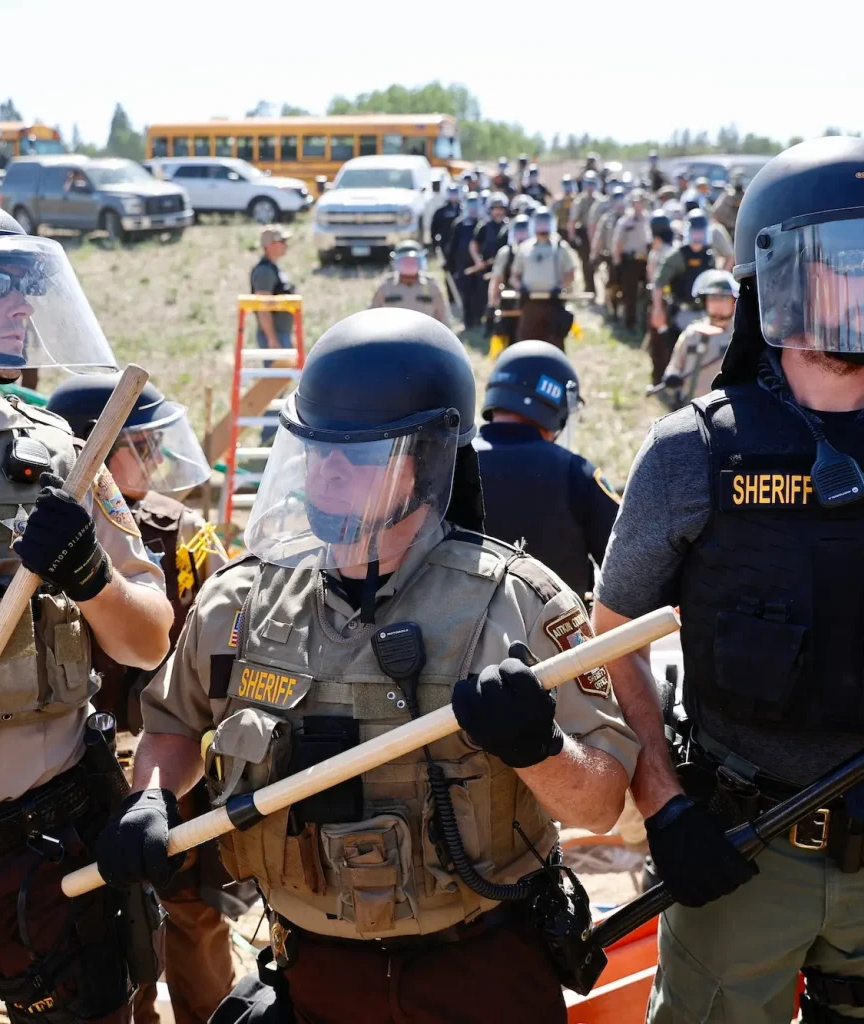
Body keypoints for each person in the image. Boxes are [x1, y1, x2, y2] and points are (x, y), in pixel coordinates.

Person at [95, 307, 640, 1024]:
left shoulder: (519, 605)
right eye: (316, 451)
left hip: (480, 971)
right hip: (313, 970)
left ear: (428, 461)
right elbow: (171, 725)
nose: (326, 477)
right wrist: (153, 799)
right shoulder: (244, 602)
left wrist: (538, 749)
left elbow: (603, 803)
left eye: (359, 456)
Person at [592, 136, 864, 1024]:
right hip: (742, 852)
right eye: (859, 261)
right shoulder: (693, 453)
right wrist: (662, 805)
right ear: (781, 279)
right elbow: (611, 633)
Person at [0, 197, 175, 1024]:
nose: (22, 306)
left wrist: (93, 579)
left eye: (25, 284)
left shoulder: (63, 458)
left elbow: (149, 642)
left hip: (47, 863)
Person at [46, 374, 236, 1024]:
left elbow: (229, 628)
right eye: (139, 442)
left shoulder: (187, 532)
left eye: (157, 440)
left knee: (196, 921)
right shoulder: (43, 531)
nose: (155, 456)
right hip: (80, 771)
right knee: (110, 937)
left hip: (171, 769)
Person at [475, 341, 620, 598]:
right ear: (554, 403)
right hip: (556, 634)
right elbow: (626, 563)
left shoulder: (448, 464)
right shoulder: (576, 471)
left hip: (459, 634)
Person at [653, 268, 738, 409]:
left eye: (723, 298)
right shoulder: (692, 333)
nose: (718, 304)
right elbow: (675, 364)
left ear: (733, 302)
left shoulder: (739, 337)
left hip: (726, 410)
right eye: (712, 298)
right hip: (690, 408)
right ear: (705, 301)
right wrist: (671, 377)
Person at [650, 209, 717, 349]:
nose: (698, 235)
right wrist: (658, 309)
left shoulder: (709, 256)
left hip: (704, 312)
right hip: (681, 313)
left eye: (701, 231)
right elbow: (659, 283)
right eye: (695, 231)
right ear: (688, 231)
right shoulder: (677, 255)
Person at [511, 207, 576, 348]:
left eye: (545, 223)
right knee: (526, 344)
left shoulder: (560, 247)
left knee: (554, 344)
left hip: (552, 303)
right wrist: (520, 287)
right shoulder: (524, 248)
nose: (542, 226)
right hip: (530, 303)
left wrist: (560, 287)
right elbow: (515, 275)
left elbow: (571, 272)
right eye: (539, 223)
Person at [370, 241, 450, 325]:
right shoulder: (385, 287)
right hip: (393, 334)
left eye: (413, 261)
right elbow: (372, 315)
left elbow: (443, 316)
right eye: (405, 261)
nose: (409, 264)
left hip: (424, 334)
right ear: (396, 262)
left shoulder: (431, 286)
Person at [487, 213, 533, 357]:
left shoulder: (535, 252)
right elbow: (496, 280)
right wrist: (492, 304)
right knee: (512, 343)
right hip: (510, 304)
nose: (522, 235)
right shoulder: (506, 253)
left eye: (524, 231)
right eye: (518, 231)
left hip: (533, 302)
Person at [644, 209, 681, 383]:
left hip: (661, 303)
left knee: (660, 343)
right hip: (668, 302)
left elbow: (653, 278)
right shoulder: (673, 250)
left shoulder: (659, 252)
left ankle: (659, 377)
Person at [611, 189, 652, 331]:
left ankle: (646, 324)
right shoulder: (625, 222)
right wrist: (617, 265)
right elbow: (617, 244)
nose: (638, 205)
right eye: (635, 202)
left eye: (640, 202)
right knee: (630, 294)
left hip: (646, 261)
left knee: (648, 293)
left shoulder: (649, 219)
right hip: (630, 262)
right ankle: (630, 324)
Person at [446, 191, 486, 332]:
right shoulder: (459, 225)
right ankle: (468, 321)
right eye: (471, 205)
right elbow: (453, 246)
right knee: (466, 294)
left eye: (476, 205)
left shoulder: (483, 224)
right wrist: (450, 264)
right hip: (463, 266)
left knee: (480, 294)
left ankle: (479, 319)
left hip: (480, 267)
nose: (473, 208)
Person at [250, 226, 295, 351]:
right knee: (279, 370)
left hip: (281, 334)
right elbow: (263, 307)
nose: (286, 245)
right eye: (282, 242)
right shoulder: (265, 271)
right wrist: (272, 339)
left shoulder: (273, 268)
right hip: (276, 336)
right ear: (271, 245)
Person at [593, 187, 627, 318]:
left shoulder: (630, 218)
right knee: (611, 286)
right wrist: (594, 254)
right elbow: (599, 237)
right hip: (609, 257)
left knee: (625, 286)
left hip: (626, 259)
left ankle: (623, 311)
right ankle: (611, 311)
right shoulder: (606, 219)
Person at [570, 171, 601, 293]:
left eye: (592, 183)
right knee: (586, 262)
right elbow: (573, 221)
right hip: (584, 234)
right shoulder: (580, 200)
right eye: (588, 183)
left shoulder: (600, 200)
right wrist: (573, 237)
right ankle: (589, 288)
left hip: (599, 234)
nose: (590, 187)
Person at [469, 192, 510, 283]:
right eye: (495, 209)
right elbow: (474, 244)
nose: (498, 212)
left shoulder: (509, 227)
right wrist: (478, 260)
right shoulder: (484, 226)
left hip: (503, 269)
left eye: (500, 208)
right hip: (485, 269)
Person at [710, 166, 746, 237]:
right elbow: (716, 213)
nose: (739, 181)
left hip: (742, 230)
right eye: (738, 179)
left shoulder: (746, 195)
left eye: (741, 179)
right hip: (729, 230)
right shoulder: (728, 196)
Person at [430, 183, 463, 258]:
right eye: (452, 193)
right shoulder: (441, 212)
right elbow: (434, 229)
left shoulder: (464, 210)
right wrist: (435, 245)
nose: (454, 196)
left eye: (455, 193)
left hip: (461, 243)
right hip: (446, 242)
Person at [551, 174, 577, 243]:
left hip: (576, 231)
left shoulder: (577, 201)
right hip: (561, 231)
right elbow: (551, 215)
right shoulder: (557, 202)